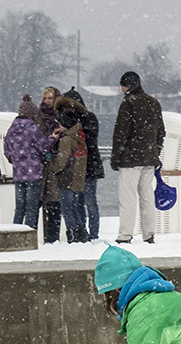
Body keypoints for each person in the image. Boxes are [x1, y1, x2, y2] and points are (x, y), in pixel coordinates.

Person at [110, 71, 164, 244]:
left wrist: (116, 157)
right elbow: (161, 131)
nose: (121, 88)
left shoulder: (128, 104)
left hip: (130, 159)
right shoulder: (153, 102)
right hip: (149, 158)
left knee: (128, 197)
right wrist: (155, 150)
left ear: (127, 86)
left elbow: (121, 133)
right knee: (147, 196)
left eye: (122, 85)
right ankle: (149, 233)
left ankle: (125, 234)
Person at [3, 94, 52, 229]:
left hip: (18, 174)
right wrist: (52, 139)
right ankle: (29, 234)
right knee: (32, 207)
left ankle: (16, 233)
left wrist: (15, 160)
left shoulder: (11, 129)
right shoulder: (32, 128)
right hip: (34, 173)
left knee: (20, 207)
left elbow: (6, 150)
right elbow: (44, 147)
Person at [65, 87, 103, 242]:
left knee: (88, 201)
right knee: (80, 202)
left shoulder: (88, 118)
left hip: (88, 166)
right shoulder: (86, 118)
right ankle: (83, 231)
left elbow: (89, 139)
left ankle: (92, 233)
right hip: (81, 166)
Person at [48, 101, 88, 243]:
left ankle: (72, 234)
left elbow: (61, 161)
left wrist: (54, 169)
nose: (58, 126)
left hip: (67, 178)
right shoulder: (79, 137)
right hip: (78, 178)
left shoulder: (66, 140)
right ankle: (81, 233)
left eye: (60, 124)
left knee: (67, 208)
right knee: (75, 207)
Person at [38, 86, 64, 244]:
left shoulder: (60, 115)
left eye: (50, 98)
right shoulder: (39, 115)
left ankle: (53, 237)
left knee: (55, 201)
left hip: (55, 161)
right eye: (45, 98)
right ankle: (42, 235)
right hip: (42, 163)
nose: (47, 101)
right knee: (41, 200)